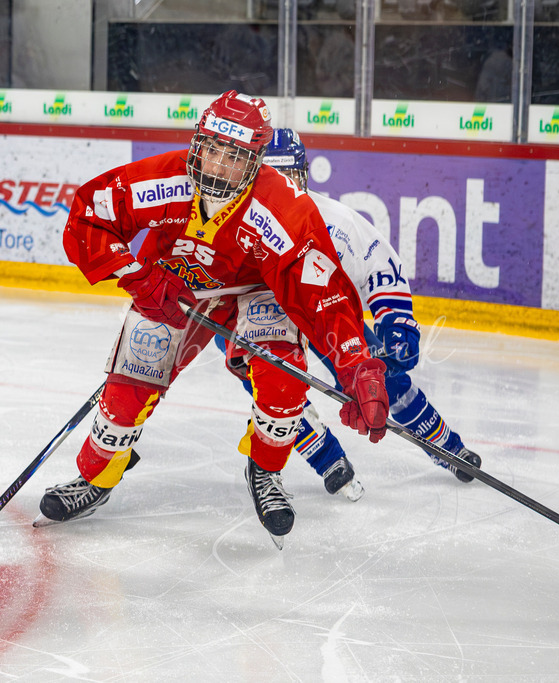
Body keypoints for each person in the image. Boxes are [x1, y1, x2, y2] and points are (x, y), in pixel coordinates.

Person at [35, 91, 388, 548]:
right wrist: (140, 279)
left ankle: (265, 468)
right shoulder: (165, 177)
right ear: (198, 142)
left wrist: (357, 364)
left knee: (283, 378)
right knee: (127, 393)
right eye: (213, 149)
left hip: (257, 291)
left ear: (257, 161)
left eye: (234, 156)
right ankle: (97, 478)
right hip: (171, 290)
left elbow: (324, 296)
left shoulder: (284, 208)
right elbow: (89, 215)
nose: (218, 166)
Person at [224, 128, 482, 500]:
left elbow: (379, 264)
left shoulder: (335, 222)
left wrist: (394, 319)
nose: (281, 187)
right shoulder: (232, 222)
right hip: (255, 319)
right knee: (275, 389)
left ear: (303, 174)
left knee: (384, 376)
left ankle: (446, 446)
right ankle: (327, 457)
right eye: (271, 176)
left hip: (325, 312)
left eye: (289, 176)